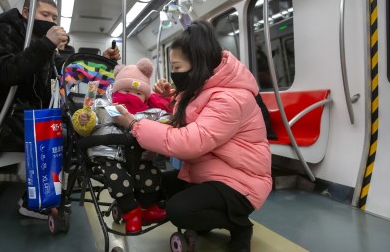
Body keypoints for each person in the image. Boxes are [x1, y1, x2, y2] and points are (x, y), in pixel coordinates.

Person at [112, 20, 272, 251]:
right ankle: (207, 217)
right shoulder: (204, 87)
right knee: (155, 184)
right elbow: (194, 118)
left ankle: (239, 225)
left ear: (198, 65)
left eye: (177, 68)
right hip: (213, 170)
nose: (174, 74)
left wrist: (134, 125)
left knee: (179, 210)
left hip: (242, 182)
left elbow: (189, 141)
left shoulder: (230, 99)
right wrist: (173, 97)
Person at [0, 0, 120, 219]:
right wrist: (46, 43)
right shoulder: (2, 34)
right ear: (26, 13)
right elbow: (8, 72)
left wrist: (103, 61)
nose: (50, 20)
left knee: (71, 130)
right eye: (44, 14)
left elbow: (67, 69)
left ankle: (45, 195)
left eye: (54, 17)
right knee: (62, 136)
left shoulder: (38, 45)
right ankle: (34, 202)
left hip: (17, 117)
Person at [72, 58, 170, 234]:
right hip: (107, 156)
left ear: (146, 96)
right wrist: (82, 120)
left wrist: (166, 119)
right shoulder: (102, 105)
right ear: (117, 88)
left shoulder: (150, 112)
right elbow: (85, 122)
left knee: (152, 175)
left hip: (140, 157)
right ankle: (131, 214)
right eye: (126, 90)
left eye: (138, 93)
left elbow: (166, 119)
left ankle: (146, 209)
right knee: (119, 181)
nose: (131, 95)